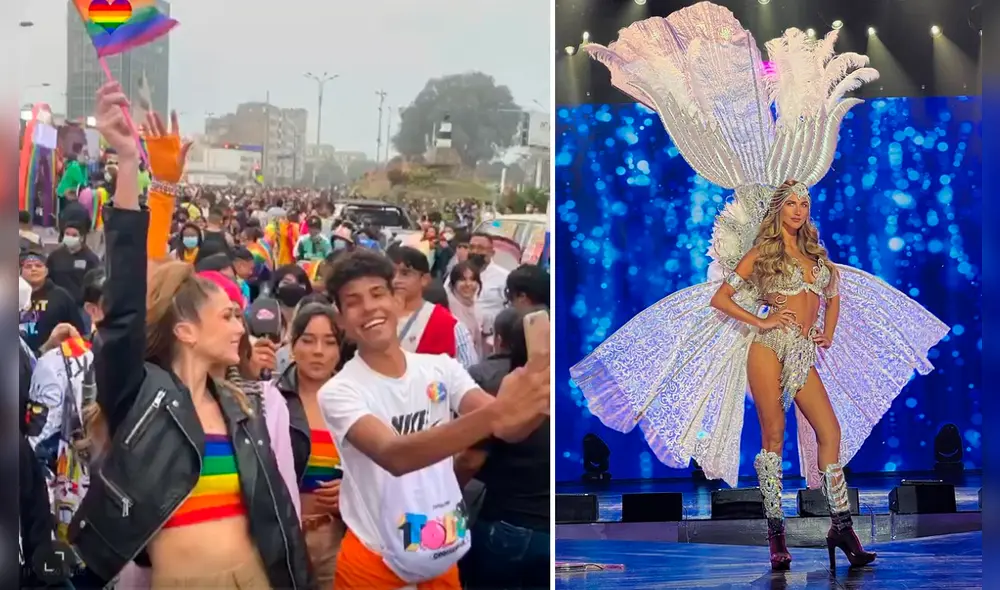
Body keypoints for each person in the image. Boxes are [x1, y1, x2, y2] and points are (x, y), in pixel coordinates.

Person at [572, 9, 950, 572]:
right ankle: (776, 536)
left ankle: (841, 529)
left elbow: (833, 293)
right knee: (773, 437)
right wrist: (766, 322)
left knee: (830, 432)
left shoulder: (817, 255)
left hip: (802, 351)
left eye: (804, 203)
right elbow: (720, 300)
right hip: (767, 348)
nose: (799, 209)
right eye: (791, 203)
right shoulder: (763, 254)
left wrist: (826, 330)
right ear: (779, 209)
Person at [68, 82, 311, 589]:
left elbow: (281, 524)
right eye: (227, 316)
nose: (241, 327)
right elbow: (129, 303)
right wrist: (131, 165)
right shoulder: (140, 400)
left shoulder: (243, 407)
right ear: (184, 330)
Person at [319, 249, 549, 589]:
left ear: (397, 300)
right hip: (373, 557)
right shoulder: (339, 391)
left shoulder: (440, 367)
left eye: (377, 294)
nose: (368, 307)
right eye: (353, 302)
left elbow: (507, 429)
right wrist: (499, 412)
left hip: (441, 546)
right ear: (341, 319)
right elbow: (394, 455)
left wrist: (539, 398)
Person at [458, 306, 550, 589]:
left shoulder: (503, 391)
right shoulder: (572, 394)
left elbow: (470, 460)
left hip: (506, 525)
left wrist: (445, 492)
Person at [276, 303, 348, 586]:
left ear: (340, 350)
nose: (319, 351)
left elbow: (379, 471)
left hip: (336, 539)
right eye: (308, 340)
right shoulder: (270, 400)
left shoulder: (356, 402)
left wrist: (352, 492)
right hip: (282, 537)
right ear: (292, 345)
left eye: (329, 342)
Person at [390, 245, 478, 366]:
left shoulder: (450, 325)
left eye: (405, 273)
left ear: (424, 279)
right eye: (391, 274)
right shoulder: (373, 318)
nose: (395, 280)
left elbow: (469, 370)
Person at [19, 251, 85, 353]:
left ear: (46, 271)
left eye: (38, 265)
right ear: (20, 271)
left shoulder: (61, 296)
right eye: (28, 266)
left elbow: (78, 331)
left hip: (53, 356)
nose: (33, 269)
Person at [447, 261, 486, 357]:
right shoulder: (448, 308)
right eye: (463, 280)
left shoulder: (476, 307)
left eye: (472, 279)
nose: (468, 284)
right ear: (453, 283)